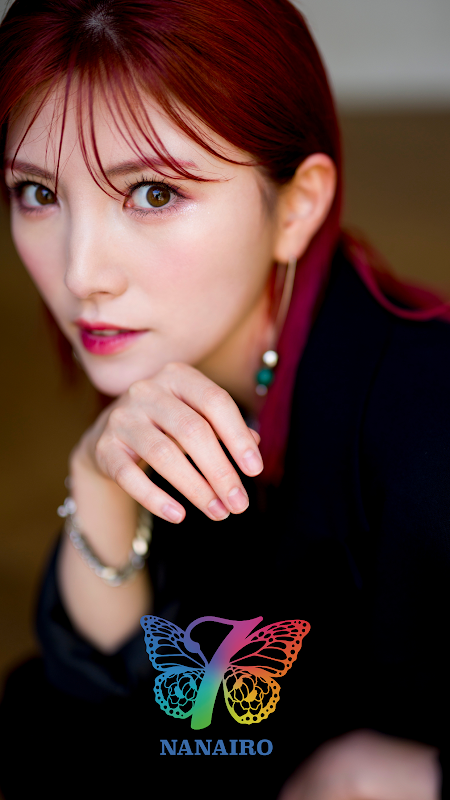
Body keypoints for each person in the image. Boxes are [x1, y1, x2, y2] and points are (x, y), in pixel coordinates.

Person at [0, 0, 448, 798]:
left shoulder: (425, 427)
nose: (80, 274)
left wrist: (417, 776)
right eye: (37, 192)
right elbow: (115, 704)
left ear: (296, 207)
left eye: (153, 194)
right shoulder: (180, 364)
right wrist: (98, 483)